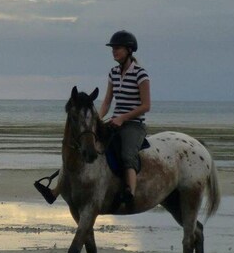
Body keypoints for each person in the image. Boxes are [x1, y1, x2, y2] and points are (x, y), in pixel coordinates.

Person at [35, 30, 151, 206]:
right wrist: (97, 119)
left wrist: (123, 118)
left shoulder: (140, 74)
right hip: (115, 122)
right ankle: (56, 190)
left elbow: (146, 105)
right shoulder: (113, 73)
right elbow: (106, 101)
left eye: (117, 48)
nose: (114, 51)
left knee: (128, 155)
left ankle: (130, 193)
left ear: (129, 50)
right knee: (86, 147)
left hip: (133, 125)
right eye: (113, 48)